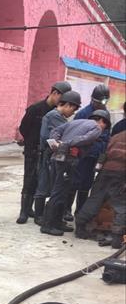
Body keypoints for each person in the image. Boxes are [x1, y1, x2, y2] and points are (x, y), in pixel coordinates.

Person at [39, 110, 108, 236]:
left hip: (57, 158)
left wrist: (57, 142)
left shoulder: (75, 122)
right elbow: (86, 139)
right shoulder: (97, 127)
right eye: (105, 126)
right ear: (102, 121)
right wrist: (67, 143)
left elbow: (55, 131)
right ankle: (47, 225)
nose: (103, 130)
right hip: (68, 160)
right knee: (59, 192)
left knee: (62, 191)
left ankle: (57, 222)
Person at [16, 81, 71, 224]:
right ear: (54, 93)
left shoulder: (57, 113)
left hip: (46, 152)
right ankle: (24, 211)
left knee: (41, 180)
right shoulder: (35, 109)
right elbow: (24, 128)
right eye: (62, 98)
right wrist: (32, 142)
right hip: (32, 150)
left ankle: (32, 209)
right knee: (29, 179)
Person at [33, 90, 81, 225]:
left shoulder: (55, 116)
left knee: (46, 184)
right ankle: (39, 216)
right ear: (68, 105)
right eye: (73, 109)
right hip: (49, 154)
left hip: (49, 153)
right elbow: (64, 135)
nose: (72, 113)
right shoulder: (55, 117)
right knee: (44, 185)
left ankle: (42, 215)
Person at [75, 127, 126, 248]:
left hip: (105, 171)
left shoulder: (117, 136)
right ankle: (117, 238)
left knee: (95, 198)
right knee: (121, 205)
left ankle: (80, 227)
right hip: (120, 172)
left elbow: (104, 153)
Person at [66, 83, 112, 218]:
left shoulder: (105, 114)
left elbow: (106, 136)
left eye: (104, 102)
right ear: (93, 100)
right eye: (99, 102)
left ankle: (80, 211)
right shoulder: (83, 113)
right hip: (81, 155)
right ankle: (67, 210)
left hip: (94, 156)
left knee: (86, 185)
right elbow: (75, 133)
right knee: (74, 182)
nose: (102, 105)